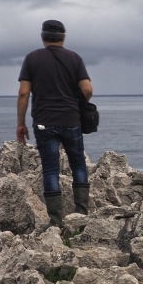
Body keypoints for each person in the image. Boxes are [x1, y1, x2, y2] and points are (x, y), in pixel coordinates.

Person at [16, 19, 93, 228]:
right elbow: (88, 90)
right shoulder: (74, 58)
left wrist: (21, 123)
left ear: (43, 37)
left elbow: (24, 93)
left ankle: (56, 221)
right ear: (63, 37)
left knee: (50, 169)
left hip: (43, 122)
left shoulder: (32, 59)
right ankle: (81, 214)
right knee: (78, 164)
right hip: (71, 120)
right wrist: (75, 103)